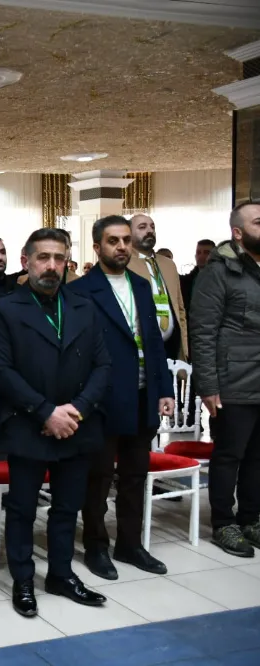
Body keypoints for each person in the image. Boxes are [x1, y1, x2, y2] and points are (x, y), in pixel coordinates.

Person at [0, 227, 110, 618]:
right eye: (44, 257)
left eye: (60, 258)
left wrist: (76, 411)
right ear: (26, 262)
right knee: (22, 509)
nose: (52, 266)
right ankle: (23, 578)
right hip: (28, 424)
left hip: (76, 423)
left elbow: (103, 365)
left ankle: (61, 574)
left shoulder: (83, 306)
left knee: (67, 507)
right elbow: (0, 369)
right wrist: (45, 412)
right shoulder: (7, 308)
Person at [69, 216, 173, 580]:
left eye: (126, 240)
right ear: (97, 247)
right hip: (103, 397)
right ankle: (96, 546)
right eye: (113, 241)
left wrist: (164, 389)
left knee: (135, 475)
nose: (122, 247)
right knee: (98, 477)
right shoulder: (81, 290)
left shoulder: (141, 286)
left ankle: (130, 544)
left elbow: (154, 341)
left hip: (143, 393)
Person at [190, 200, 260, 558]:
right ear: (238, 232)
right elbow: (203, 332)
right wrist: (208, 386)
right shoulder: (218, 271)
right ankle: (223, 522)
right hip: (233, 379)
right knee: (229, 454)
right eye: (258, 222)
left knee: (257, 456)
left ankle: (250, 518)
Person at [128, 214, 188, 362]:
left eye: (152, 227)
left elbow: (180, 309)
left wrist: (184, 348)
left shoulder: (168, 264)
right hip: (139, 348)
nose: (149, 230)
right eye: (142, 227)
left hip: (171, 347)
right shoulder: (124, 264)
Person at [180, 239, 216, 314]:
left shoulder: (223, 280)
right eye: (198, 252)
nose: (201, 256)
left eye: (206, 252)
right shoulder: (185, 282)